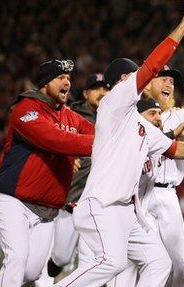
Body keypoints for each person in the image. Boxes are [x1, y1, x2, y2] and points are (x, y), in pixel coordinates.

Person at [54, 0, 184, 287]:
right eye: (134, 74)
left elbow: (174, 148)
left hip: (126, 210)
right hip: (102, 205)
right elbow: (152, 66)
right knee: (111, 263)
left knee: (159, 263)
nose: (142, 78)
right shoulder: (115, 101)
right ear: (124, 78)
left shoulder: (140, 124)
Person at [0, 59, 95, 287]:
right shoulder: (26, 108)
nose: (67, 81)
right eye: (60, 77)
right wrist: (103, 142)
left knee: (31, 273)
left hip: (46, 210)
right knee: (16, 259)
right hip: (13, 201)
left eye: (68, 77)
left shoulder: (69, 116)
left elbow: (98, 131)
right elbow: (54, 139)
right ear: (45, 83)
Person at [143, 66, 184, 287]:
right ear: (147, 85)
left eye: (171, 81)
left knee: (180, 263)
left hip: (167, 194)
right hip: (139, 194)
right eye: (163, 79)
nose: (169, 85)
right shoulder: (136, 115)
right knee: (139, 261)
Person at [46, 73, 109, 279]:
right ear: (85, 93)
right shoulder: (71, 114)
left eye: (105, 89)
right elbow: (52, 140)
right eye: (96, 88)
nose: (102, 93)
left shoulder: (113, 115)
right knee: (62, 257)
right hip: (73, 197)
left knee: (93, 259)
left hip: (100, 200)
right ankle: (54, 265)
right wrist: (66, 157)